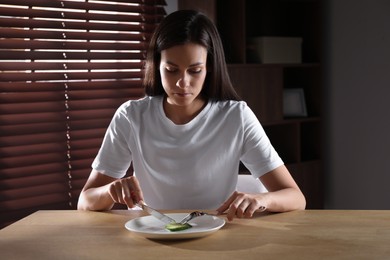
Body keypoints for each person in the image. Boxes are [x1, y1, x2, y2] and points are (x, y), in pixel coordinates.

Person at [77, 10, 306, 221]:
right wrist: (110, 191)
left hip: (216, 234)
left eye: (195, 71)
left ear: (210, 68)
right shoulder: (131, 116)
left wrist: (262, 199)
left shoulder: (237, 117)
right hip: (149, 235)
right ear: (157, 65)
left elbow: (296, 197)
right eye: (171, 69)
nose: (182, 83)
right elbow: (84, 201)